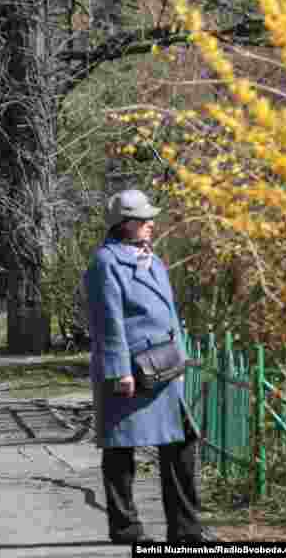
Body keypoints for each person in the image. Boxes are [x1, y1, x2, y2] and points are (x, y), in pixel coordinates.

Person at [83, 189, 209, 544]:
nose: (151, 224)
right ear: (124, 225)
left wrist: (180, 356)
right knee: (121, 448)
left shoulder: (152, 259)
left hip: (165, 370)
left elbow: (168, 315)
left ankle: (185, 531)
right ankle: (125, 529)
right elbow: (107, 321)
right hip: (133, 371)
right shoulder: (105, 263)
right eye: (143, 219)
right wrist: (119, 370)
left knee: (183, 444)